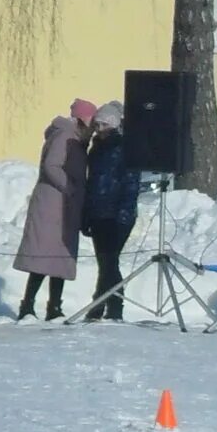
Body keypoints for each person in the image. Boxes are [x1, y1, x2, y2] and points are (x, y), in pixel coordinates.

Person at [15, 102, 93, 321]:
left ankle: (54, 306)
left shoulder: (76, 140)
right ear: (82, 120)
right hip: (53, 205)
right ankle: (28, 305)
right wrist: (70, 187)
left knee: (59, 258)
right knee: (44, 256)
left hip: (64, 207)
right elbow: (51, 166)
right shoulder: (64, 136)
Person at [78, 100, 140, 321]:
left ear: (114, 125)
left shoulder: (123, 147)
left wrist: (124, 213)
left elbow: (131, 182)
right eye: (97, 125)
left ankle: (102, 305)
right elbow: (91, 181)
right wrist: (86, 214)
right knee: (105, 263)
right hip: (98, 213)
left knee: (109, 263)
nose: (99, 129)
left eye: (104, 125)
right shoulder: (96, 148)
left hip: (117, 215)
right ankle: (111, 304)